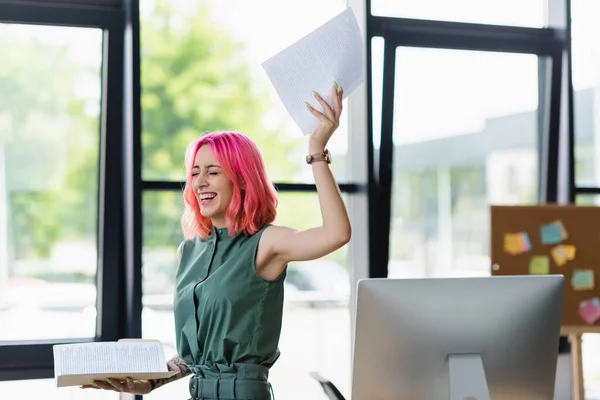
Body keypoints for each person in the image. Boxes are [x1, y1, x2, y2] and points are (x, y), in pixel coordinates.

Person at [81, 82, 350, 399]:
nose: (200, 182)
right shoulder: (190, 249)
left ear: (241, 176)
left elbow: (336, 233)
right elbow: (197, 353)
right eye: (194, 172)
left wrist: (316, 151)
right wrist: (151, 382)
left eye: (213, 171)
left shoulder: (266, 242)